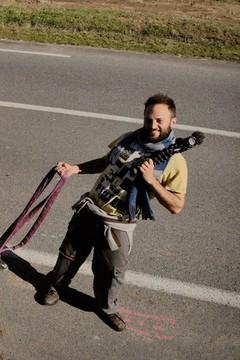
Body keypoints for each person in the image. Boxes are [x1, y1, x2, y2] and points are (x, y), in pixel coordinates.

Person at [37, 94, 188, 332]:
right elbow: (106, 161)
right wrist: (76, 168)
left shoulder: (175, 161)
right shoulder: (129, 139)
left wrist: (151, 181)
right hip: (90, 210)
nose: (153, 125)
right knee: (68, 256)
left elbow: (176, 206)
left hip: (118, 225)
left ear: (173, 121)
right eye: (149, 119)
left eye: (160, 120)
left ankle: (107, 309)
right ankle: (55, 287)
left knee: (110, 274)